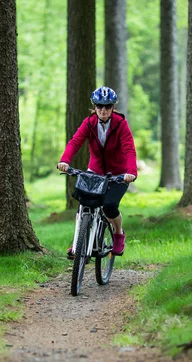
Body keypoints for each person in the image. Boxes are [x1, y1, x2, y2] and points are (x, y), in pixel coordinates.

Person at [57, 86, 137, 257]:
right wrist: (64, 160)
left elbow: (129, 149)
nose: (103, 110)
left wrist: (131, 172)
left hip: (119, 174)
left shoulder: (120, 124)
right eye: (99, 106)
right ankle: (77, 243)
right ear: (94, 107)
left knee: (109, 206)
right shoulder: (89, 123)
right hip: (95, 171)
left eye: (107, 106)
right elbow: (75, 142)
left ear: (113, 107)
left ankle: (118, 233)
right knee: (84, 205)